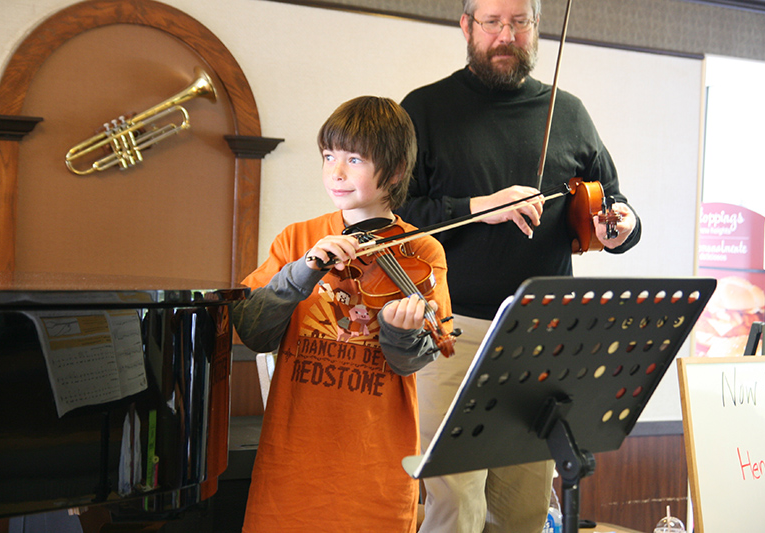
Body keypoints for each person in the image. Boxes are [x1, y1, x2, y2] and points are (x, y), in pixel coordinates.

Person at [396, 0, 642, 532]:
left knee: (526, 508)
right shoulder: (424, 108)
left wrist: (620, 227)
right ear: (466, 27)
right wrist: (478, 208)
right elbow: (395, 217)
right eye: (492, 22)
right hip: (450, 330)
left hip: (541, 335)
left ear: (536, 29)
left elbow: (612, 205)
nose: (506, 35)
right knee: (455, 506)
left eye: (519, 22)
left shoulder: (569, 112)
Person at [233, 95, 453, 533]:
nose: (335, 171)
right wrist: (302, 272)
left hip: (376, 465)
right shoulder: (298, 239)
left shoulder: (421, 252)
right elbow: (252, 331)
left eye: (354, 159)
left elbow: (412, 360)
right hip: (294, 460)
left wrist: (397, 330)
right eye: (329, 156)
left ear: (392, 172)